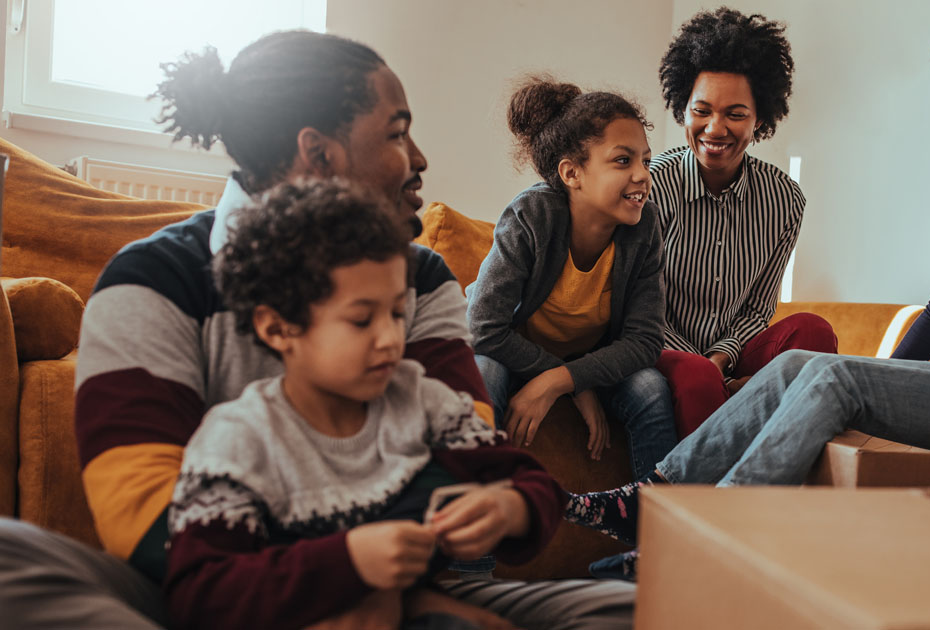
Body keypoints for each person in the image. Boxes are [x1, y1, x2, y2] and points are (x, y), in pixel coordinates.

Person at [0, 31, 635, 630]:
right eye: (397, 134)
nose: (419, 159)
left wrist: (476, 521)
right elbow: (150, 536)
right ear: (319, 153)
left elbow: (470, 473)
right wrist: (341, 569)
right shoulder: (148, 281)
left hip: (397, 583)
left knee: (640, 606)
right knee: (12, 561)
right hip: (214, 597)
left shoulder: (422, 278)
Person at [567, 4, 930, 581]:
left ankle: (701, 539)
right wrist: (882, 392)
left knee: (833, 371)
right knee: (803, 362)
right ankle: (653, 497)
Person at [166, 178, 564, 630]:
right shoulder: (238, 438)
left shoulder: (423, 401)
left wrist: (511, 508)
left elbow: (533, 483)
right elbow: (197, 592)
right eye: (360, 319)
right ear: (278, 328)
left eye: (397, 314)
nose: (390, 338)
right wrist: (349, 560)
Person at [467, 77, 676, 480]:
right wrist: (570, 384)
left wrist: (563, 380)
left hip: (581, 362)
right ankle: (475, 535)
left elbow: (646, 340)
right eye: (622, 160)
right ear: (571, 173)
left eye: (646, 161)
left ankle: (655, 533)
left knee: (650, 389)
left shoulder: (643, 226)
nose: (642, 175)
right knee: (482, 373)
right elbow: (483, 327)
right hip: (510, 353)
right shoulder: (532, 216)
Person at [649, 7, 838, 437]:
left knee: (814, 333)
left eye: (735, 113)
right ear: (683, 111)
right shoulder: (651, 187)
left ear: (760, 119)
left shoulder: (785, 199)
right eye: (702, 111)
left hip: (732, 356)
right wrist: (703, 367)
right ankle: (719, 494)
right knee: (696, 378)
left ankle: (740, 394)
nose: (715, 128)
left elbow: (758, 308)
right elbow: (640, 306)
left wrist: (721, 358)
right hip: (662, 347)